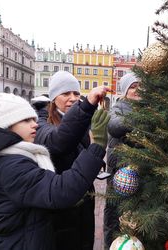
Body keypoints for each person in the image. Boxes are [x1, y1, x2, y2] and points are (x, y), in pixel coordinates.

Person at [0, 89, 110, 250]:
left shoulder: (14, 156)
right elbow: (60, 191)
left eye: (33, 118)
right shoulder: (11, 165)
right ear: (6, 126)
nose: (35, 124)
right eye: (26, 120)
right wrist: (97, 146)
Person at [34, 70, 110, 250]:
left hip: (83, 203)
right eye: (66, 93)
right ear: (53, 97)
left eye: (76, 93)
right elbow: (58, 142)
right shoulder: (40, 121)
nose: (73, 98)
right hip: (60, 208)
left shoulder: (81, 121)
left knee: (84, 242)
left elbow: (80, 152)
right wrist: (86, 107)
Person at [103, 72, 142, 249]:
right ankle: (110, 244)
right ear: (125, 91)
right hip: (119, 169)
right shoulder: (119, 107)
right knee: (114, 213)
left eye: (140, 85)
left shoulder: (147, 106)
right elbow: (114, 126)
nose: (137, 90)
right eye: (133, 87)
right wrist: (143, 119)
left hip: (138, 167)